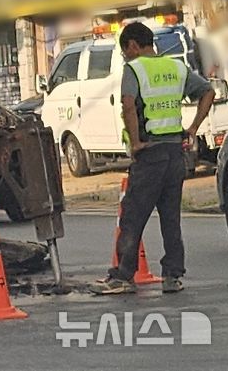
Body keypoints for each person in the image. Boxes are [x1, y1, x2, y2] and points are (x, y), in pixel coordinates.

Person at [90, 22, 215, 295]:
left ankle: (123, 276)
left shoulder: (134, 69)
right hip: (175, 154)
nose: (126, 56)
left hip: (151, 154)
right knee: (170, 217)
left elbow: (127, 105)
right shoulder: (176, 68)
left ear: (133, 45)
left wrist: (135, 143)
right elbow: (208, 91)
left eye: (126, 51)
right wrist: (192, 129)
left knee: (133, 216)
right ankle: (172, 276)